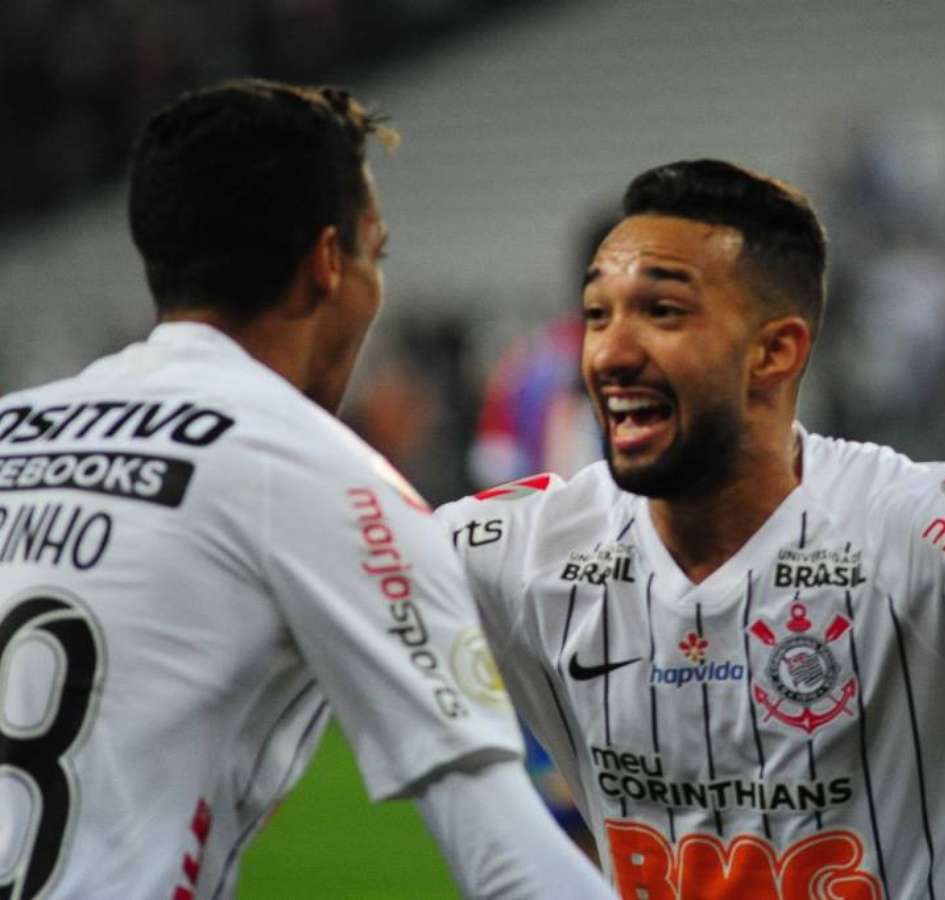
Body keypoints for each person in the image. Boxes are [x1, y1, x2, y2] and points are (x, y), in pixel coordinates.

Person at [436, 159, 945, 899]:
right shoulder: (532, 546)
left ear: (775, 351)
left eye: (662, 312)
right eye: (598, 315)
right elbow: (368, 571)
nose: (609, 353)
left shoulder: (919, 526)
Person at [0, 79, 612, 900]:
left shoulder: (12, 428)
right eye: (376, 254)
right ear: (329, 264)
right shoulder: (328, 480)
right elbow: (506, 861)